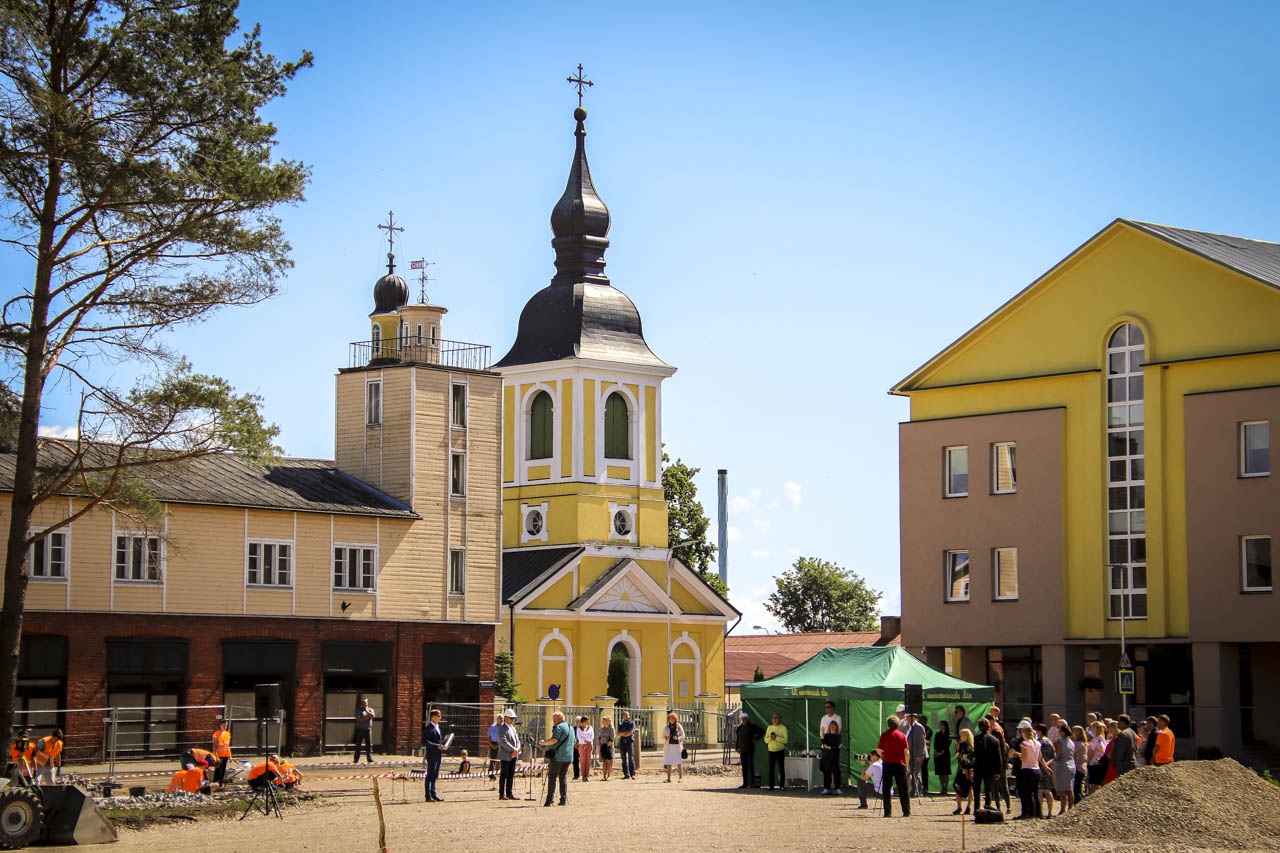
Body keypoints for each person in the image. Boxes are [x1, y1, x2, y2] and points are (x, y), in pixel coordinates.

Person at [877, 715, 910, 817]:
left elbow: (879, 750)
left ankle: (887, 812)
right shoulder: (902, 736)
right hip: (900, 764)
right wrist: (907, 765)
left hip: (887, 763)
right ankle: (906, 811)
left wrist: (883, 756)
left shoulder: (884, 735)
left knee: (886, 788)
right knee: (903, 788)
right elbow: (906, 752)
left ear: (888, 725)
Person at [540, 711, 574, 807]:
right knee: (563, 777)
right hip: (568, 757)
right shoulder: (571, 727)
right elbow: (574, 742)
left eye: (554, 720)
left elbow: (554, 740)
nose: (553, 722)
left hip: (558, 756)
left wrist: (543, 743)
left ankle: (549, 799)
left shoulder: (559, 727)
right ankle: (563, 799)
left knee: (552, 777)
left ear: (558, 719)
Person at [973, 718, 1003, 811]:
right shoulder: (995, 740)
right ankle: (987, 807)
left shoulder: (976, 738)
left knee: (977, 790)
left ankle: (976, 809)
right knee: (988, 789)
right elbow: (998, 757)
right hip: (990, 768)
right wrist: (998, 771)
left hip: (978, 766)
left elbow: (976, 752)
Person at [1014, 721, 1041, 820]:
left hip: (1027, 769)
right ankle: (1038, 813)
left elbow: (1024, 758)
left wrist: (1017, 754)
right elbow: (1039, 758)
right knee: (1036, 792)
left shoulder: (1024, 743)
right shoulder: (1038, 743)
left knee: (1029, 793)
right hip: (1036, 769)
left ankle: (1031, 814)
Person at [819, 701, 843, 792]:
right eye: (826, 707)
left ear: (833, 708)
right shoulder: (823, 718)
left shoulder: (838, 717)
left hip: (835, 745)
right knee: (826, 768)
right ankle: (826, 788)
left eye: (829, 707)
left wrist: (832, 743)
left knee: (835, 768)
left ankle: (838, 787)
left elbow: (838, 730)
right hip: (826, 744)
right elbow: (822, 731)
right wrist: (824, 742)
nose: (827, 709)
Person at [734, 712, 763, 789]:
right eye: (742, 719)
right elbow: (738, 739)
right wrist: (737, 747)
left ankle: (752, 783)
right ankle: (745, 783)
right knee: (744, 768)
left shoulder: (751, 727)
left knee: (750, 767)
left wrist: (755, 739)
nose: (743, 720)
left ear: (747, 719)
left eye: (745, 719)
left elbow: (761, 732)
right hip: (742, 750)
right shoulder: (739, 728)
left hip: (750, 750)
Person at [496, 709, 519, 800]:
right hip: (506, 755)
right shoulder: (502, 728)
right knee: (504, 775)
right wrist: (513, 749)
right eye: (511, 718)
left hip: (513, 755)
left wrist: (517, 748)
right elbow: (503, 741)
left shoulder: (513, 728)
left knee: (511, 774)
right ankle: (501, 794)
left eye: (513, 718)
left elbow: (517, 740)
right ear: (506, 718)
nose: (513, 720)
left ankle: (509, 793)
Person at [423, 708, 446, 803]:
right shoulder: (428, 728)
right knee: (430, 774)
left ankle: (433, 794)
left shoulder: (437, 727)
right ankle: (428, 795)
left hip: (438, 754)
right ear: (433, 717)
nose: (440, 717)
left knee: (435, 775)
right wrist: (437, 746)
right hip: (432, 754)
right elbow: (425, 742)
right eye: (438, 716)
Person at [1053, 724, 1076, 815]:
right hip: (1071, 764)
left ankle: (1063, 809)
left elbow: (1058, 755)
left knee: (1062, 789)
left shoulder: (1060, 742)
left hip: (1062, 765)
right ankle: (1071, 807)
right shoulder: (1072, 742)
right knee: (1070, 788)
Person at [952, 728, 974, 816]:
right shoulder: (971, 745)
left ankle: (959, 807)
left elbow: (957, 755)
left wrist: (957, 745)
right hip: (970, 768)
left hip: (963, 768)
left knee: (957, 786)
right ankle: (968, 806)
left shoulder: (963, 744)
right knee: (970, 788)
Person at [1036, 724, 1055, 819]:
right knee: (1048, 791)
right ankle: (1050, 812)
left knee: (1040, 791)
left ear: (1039, 731)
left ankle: (1040, 812)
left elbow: (1038, 757)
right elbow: (1053, 756)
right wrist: (1047, 765)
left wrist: (1043, 765)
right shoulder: (1050, 742)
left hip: (1039, 768)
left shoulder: (1038, 742)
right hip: (1048, 768)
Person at [905, 713, 926, 797]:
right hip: (910, 754)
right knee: (915, 773)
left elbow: (922, 742)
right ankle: (919, 790)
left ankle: (914, 791)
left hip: (916, 754)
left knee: (914, 773)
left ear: (912, 717)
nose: (906, 719)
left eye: (908, 717)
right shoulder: (910, 727)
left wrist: (919, 755)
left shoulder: (918, 727)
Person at [765, 712, 788, 791]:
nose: (775, 720)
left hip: (780, 751)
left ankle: (782, 785)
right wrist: (771, 738)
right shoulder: (769, 727)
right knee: (771, 769)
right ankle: (771, 786)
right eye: (773, 718)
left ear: (779, 719)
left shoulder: (783, 728)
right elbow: (766, 740)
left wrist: (776, 738)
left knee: (781, 768)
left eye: (776, 718)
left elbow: (785, 740)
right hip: (771, 751)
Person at [1085, 720, 1108, 793]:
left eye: (1092, 728)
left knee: (1094, 784)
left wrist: (1088, 761)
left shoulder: (1095, 739)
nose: (1091, 730)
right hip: (1101, 763)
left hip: (1094, 763)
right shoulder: (1103, 739)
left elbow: (1092, 752)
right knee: (1099, 783)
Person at [820, 721, 841, 795]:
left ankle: (837, 788)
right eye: (831, 726)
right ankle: (826, 788)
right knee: (827, 772)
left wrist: (830, 747)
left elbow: (837, 746)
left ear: (836, 727)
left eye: (834, 726)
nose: (832, 727)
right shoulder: (827, 735)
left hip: (834, 756)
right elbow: (823, 742)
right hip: (827, 756)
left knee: (836, 772)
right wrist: (822, 732)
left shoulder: (837, 736)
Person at [662, 712, 685, 783]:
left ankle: (681, 778)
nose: (671, 720)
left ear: (675, 719)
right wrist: (667, 737)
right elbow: (663, 736)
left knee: (679, 762)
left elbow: (683, 735)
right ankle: (669, 779)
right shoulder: (666, 727)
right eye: (670, 719)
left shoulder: (678, 726)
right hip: (669, 747)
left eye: (673, 719)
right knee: (668, 763)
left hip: (677, 747)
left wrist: (678, 738)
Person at [353, 696, 375, 764]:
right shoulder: (358, 710)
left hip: (368, 730)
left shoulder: (370, 710)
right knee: (358, 745)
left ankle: (369, 759)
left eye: (366, 703)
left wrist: (367, 711)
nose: (365, 704)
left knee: (368, 745)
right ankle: (356, 759)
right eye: (364, 703)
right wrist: (367, 718)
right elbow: (359, 718)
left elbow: (372, 716)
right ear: (361, 704)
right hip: (360, 730)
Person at [933, 720, 952, 796]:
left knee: (945, 772)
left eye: (941, 725)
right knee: (940, 772)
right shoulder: (938, 734)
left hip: (945, 755)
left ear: (945, 726)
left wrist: (941, 753)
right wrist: (936, 752)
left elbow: (947, 745)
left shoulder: (949, 735)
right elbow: (935, 744)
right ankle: (942, 787)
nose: (940, 726)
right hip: (938, 754)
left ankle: (945, 787)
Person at [617, 710, 637, 780]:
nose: (626, 716)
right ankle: (626, 774)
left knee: (631, 758)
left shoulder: (632, 723)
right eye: (624, 715)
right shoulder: (620, 724)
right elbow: (618, 733)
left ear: (629, 716)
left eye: (627, 715)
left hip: (629, 742)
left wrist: (624, 733)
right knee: (623, 759)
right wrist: (625, 733)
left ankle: (633, 774)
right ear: (622, 716)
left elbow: (631, 732)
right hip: (622, 742)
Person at [212, 720, 232, 785]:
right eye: (224, 725)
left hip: (225, 755)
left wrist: (230, 756)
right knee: (218, 770)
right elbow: (214, 745)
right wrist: (216, 755)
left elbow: (228, 746)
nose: (225, 727)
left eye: (226, 725)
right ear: (220, 725)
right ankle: (215, 783)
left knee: (223, 770)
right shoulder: (216, 734)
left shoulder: (228, 734)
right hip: (219, 755)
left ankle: (220, 784)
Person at [1071, 725, 1088, 803]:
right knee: (1079, 788)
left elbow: (1072, 754)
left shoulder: (1077, 744)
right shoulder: (1084, 743)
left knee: (1076, 789)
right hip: (1083, 767)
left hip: (1077, 767)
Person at [576, 716, 594, 781]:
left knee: (588, 760)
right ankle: (583, 775)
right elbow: (579, 737)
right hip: (582, 745)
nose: (588, 722)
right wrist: (585, 741)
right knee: (582, 760)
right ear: (583, 721)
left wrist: (589, 741)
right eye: (587, 720)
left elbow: (592, 736)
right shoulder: (579, 729)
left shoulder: (590, 728)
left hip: (589, 745)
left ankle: (587, 775)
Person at [487, 712, 503, 784]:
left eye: (502, 718)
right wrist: (490, 744)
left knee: (501, 759)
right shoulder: (493, 727)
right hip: (493, 743)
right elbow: (489, 736)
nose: (501, 719)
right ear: (497, 719)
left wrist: (499, 745)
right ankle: (491, 774)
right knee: (492, 759)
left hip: (501, 744)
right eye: (499, 718)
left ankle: (501, 772)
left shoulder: (504, 727)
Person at [598, 715, 615, 781]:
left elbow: (612, 739)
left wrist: (607, 746)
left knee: (609, 762)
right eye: (603, 721)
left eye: (604, 721)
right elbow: (599, 737)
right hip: (602, 746)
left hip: (609, 747)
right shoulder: (601, 729)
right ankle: (604, 775)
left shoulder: (611, 729)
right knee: (604, 762)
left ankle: (609, 775)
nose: (603, 722)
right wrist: (600, 745)